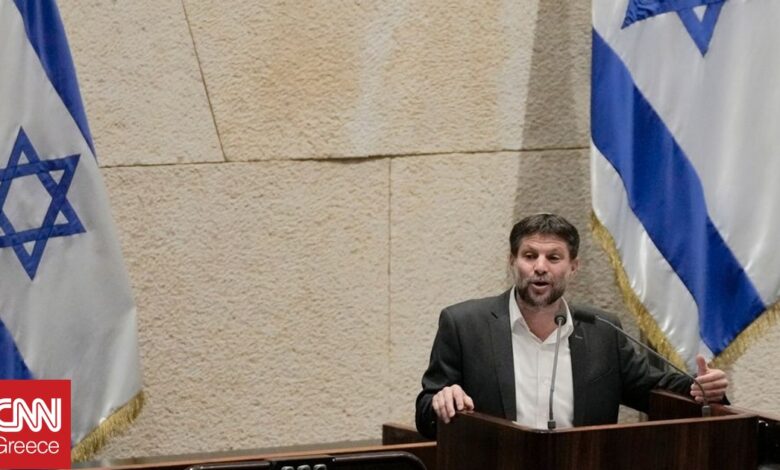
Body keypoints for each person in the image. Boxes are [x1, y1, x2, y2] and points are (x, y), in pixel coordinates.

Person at [415, 213, 728, 439]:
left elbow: (652, 389)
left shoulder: (602, 331)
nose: (540, 267)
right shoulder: (464, 325)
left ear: (573, 267)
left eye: (553, 258)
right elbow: (426, 411)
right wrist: (440, 401)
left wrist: (701, 388)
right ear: (512, 261)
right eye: (529, 255)